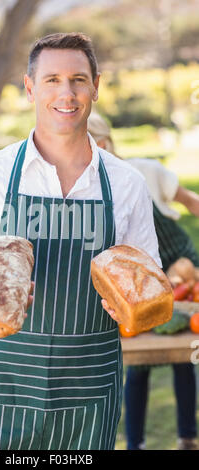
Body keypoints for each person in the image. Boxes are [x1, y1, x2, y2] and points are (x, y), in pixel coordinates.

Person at [0, 33, 162, 451]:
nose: (67, 93)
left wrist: (134, 312)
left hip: (89, 389)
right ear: (29, 87)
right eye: (52, 79)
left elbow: (151, 291)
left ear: (96, 85)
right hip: (3, 387)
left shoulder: (127, 184)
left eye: (78, 79)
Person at [87, 111, 199, 451]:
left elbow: (193, 204)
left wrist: (185, 268)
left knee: (182, 358)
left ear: (103, 143)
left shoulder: (142, 172)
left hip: (179, 271)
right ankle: (135, 443)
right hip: (137, 285)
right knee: (137, 363)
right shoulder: (85, 186)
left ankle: (187, 439)